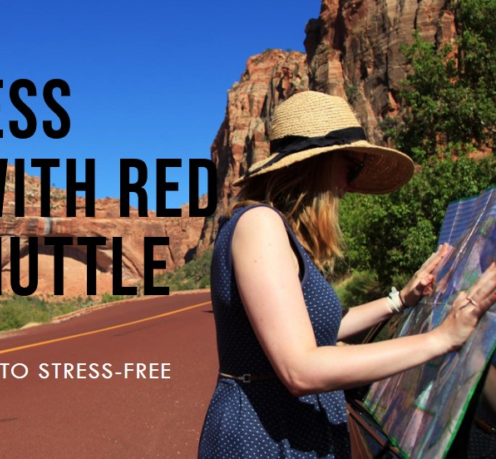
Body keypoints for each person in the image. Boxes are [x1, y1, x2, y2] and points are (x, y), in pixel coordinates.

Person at [197, 91, 496, 458]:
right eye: (350, 167)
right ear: (318, 164)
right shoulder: (260, 224)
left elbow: (322, 327)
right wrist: (441, 338)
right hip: (267, 438)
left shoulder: (282, 233)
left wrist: (400, 299)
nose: (350, 185)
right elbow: (301, 368)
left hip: (290, 429)